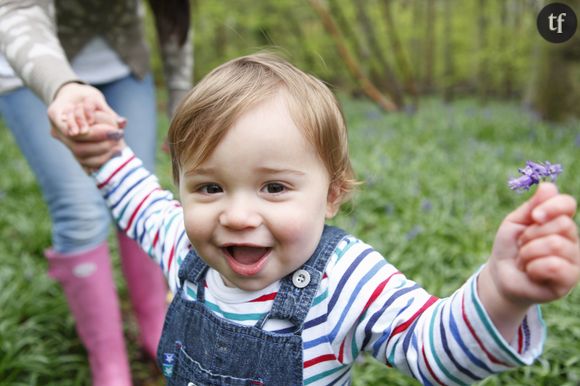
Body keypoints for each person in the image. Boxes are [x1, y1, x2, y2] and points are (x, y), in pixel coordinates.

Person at [56, 53, 579, 385]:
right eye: (209, 187)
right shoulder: (185, 248)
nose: (237, 216)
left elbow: (434, 353)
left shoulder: (346, 282)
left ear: (330, 195)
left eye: (274, 188)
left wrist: (503, 296)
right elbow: (140, 200)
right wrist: (101, 153)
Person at [0, 1, 192, 384]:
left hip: (123, 65)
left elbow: (173, 13)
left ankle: (157, 332)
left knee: (139, 198)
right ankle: (109, 365)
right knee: (80, 212)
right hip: (30, 69)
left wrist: (180, 98)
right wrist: (63, 86)